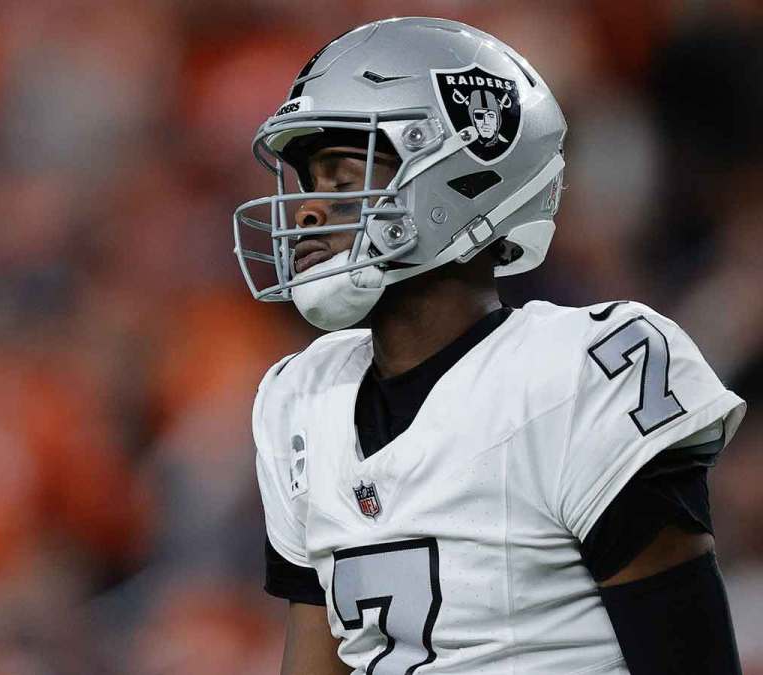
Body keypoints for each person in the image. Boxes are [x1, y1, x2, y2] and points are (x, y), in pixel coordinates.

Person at [232, 17, 746, 674]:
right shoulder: (301, 400)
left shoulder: (577, 374)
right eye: (309, 184)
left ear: (459, 177)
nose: (307, 210)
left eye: (341, 177)